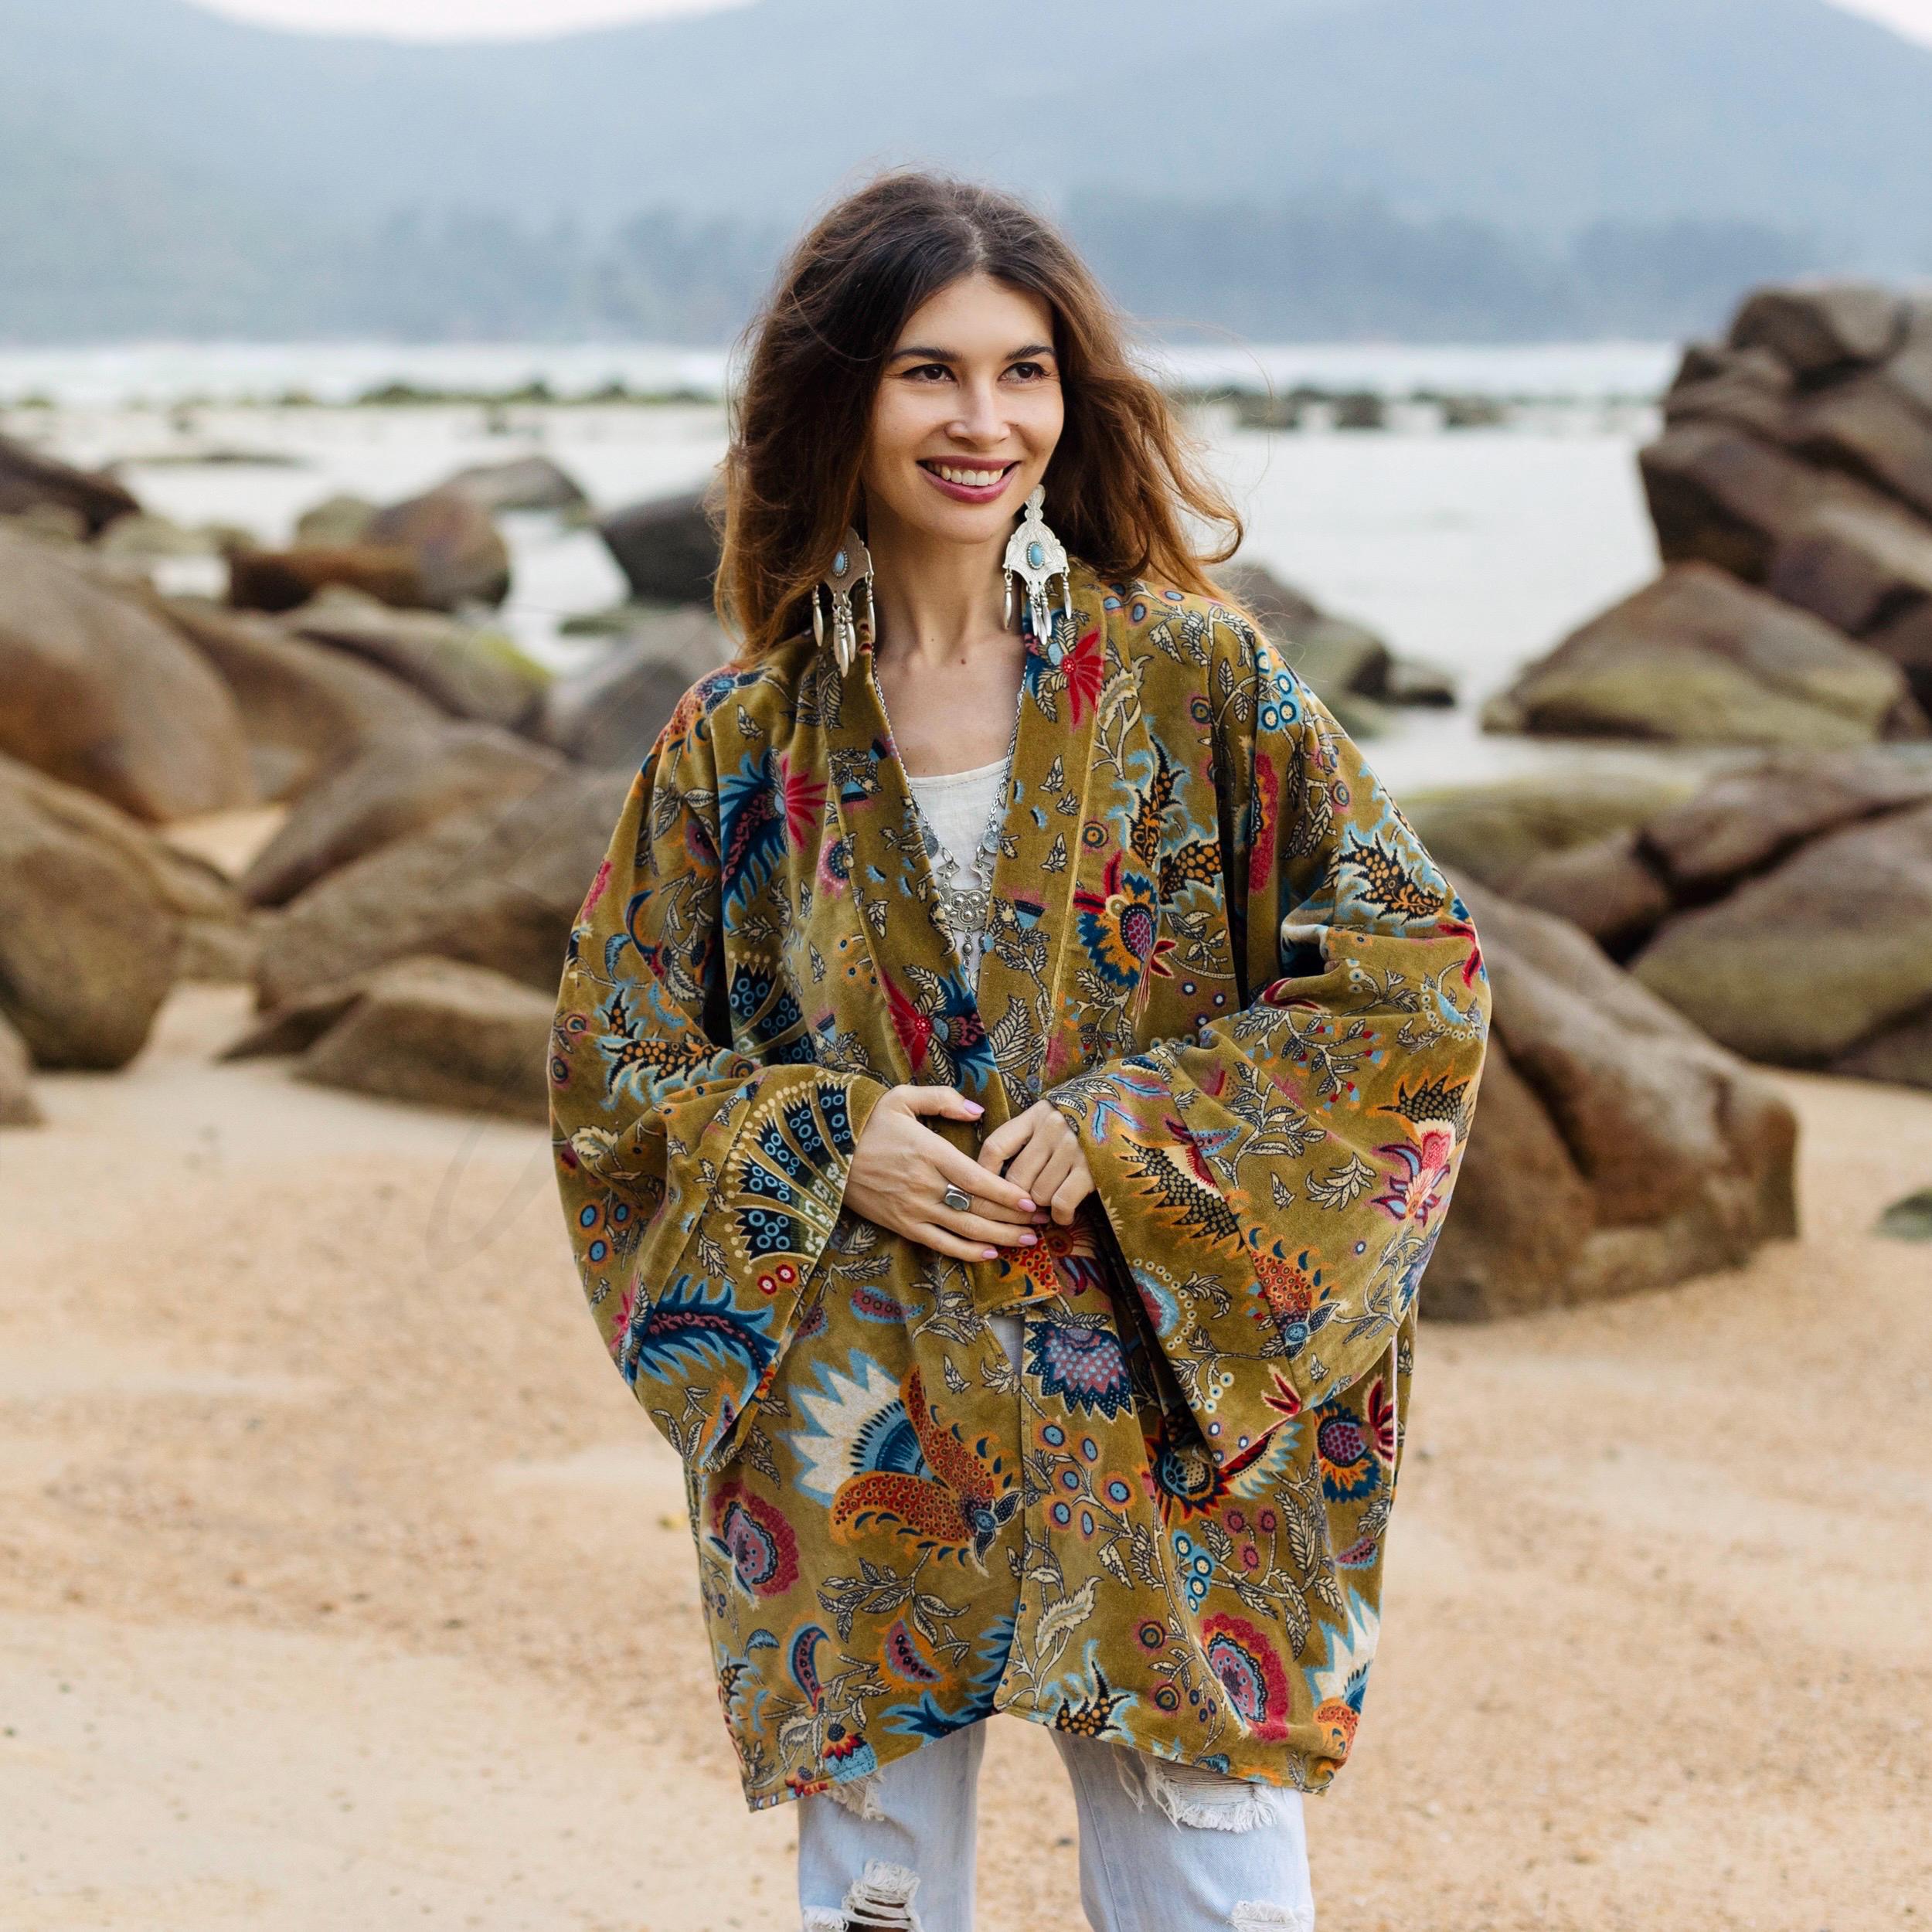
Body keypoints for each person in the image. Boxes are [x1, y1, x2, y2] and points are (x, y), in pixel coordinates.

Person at [549, 172, 1492, 1932]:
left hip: (1157, 1395)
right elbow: (617, 1061)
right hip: (860, 1407)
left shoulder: (1200, 683)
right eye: (929, 371)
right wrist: (821, 1138)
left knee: (1215, 1884)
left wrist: (1138, 1120)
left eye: (1024, 370)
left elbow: (1413, 980)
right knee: (877, 1896)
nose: (984, 420)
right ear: (841, 395)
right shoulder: (734, 741)